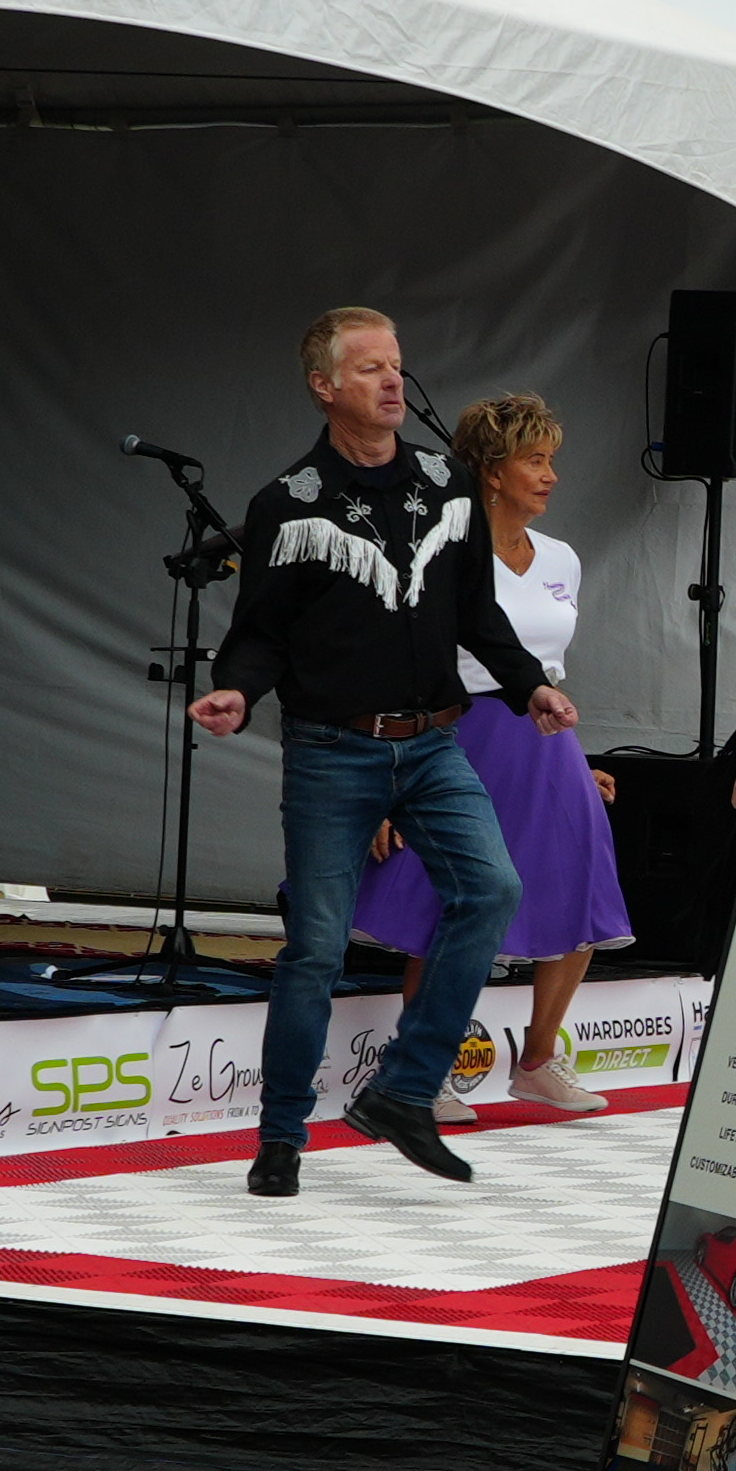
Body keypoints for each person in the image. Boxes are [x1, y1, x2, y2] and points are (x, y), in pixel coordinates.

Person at [192, 307, 577, 1197]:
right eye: (370, 369)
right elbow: (260, 634)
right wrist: (237, 690)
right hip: (333, 749)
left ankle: (403, 1090)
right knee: (316, 948)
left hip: (434, 742)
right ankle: (280, 1138)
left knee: (493, 889)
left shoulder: (446, 483)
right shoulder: (289, 504)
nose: (393, 381)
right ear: (324, 387)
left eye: (396, 364)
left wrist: (529, 686)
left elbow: (478, 612)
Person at [352, 390, 631, 1115]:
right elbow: (397, 666)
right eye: (535, 461)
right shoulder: (437, 550)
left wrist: (574, 755)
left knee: (582, 888)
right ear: (492, 471)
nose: (551, 476)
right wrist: (386, 783)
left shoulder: (563, 557)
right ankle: (421, 1070)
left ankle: (537, 1061)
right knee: (448, 901)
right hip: (452, 735)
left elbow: (548, 668)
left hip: (546, 742)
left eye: (551, 460)